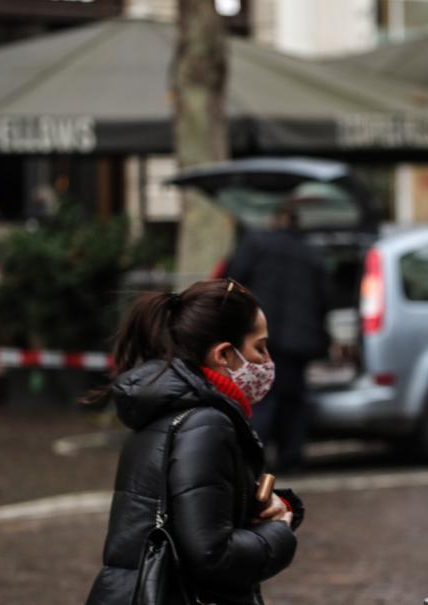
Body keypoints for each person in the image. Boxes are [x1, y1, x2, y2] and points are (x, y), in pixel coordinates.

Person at [85, 279, 304, 605]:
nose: (267, 361)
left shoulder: (167, 410)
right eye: (259, 347)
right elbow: (212, 556)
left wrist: (272, 508)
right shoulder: (207, 424)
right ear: (224, 355)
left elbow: (194, 518)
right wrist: (278, 532)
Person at [227, 202, 328, 473]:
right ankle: (291, 457)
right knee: (294, 401)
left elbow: (234, 282)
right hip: (300, 340)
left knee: (261, 398)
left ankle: (255, 458)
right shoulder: (310, 251)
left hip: (262, 336)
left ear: (274, 219)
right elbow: (324, 297)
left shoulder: (256, 244)